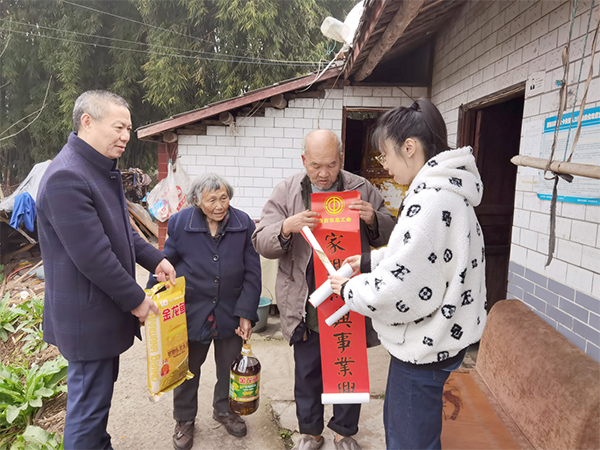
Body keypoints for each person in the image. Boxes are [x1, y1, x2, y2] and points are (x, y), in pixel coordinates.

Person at [330, 98, 487, 450]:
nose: (384, 165)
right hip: (444, 339)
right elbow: (422, 257)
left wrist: (349, 290)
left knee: (408, 441)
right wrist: (369, 261)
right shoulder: (450, 192)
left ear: (410, 147)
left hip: (424, 348)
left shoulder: (430, 201)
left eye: (385, 155)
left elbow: (400, 288)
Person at [37, 90, 176, 450]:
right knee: (87, 410)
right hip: (87, 317)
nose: (126, 136)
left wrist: (154, 258)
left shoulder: (97, 168)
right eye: (118, 127)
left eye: (129, 128)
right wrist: (137, 301)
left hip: (98, 312)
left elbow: (123, 230)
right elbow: (94, 256)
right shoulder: (66, 176)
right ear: (87, 121)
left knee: (97, 403)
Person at [252, 130, 396, 450]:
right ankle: (311, 432)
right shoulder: (288, 192)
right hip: (307, 301)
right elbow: (261, 240)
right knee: (308, 372)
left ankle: (345, 432)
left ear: (341, 160)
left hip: (349, 298)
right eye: (316, 165)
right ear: (304, 160)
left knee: (348, 364)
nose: (323, 173)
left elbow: (392, 236)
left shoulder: (361, 188)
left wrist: (373, 219)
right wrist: (286, 227)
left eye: (331, 165)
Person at [147, 173, 261, 450]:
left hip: (230, 310)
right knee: (187, 369)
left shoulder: (242, 223)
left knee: (228, 367)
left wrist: (246, 313)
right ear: (197, 201)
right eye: (212, 200)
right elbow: (165, 261)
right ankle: (184, 420)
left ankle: (224, 410)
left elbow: (252, 272)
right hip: (192, 310)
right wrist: (150, 300)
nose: (220, 205)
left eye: (224, 198)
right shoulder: (180, 223)